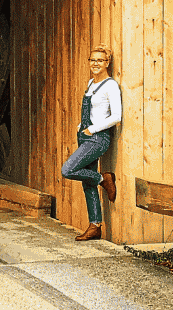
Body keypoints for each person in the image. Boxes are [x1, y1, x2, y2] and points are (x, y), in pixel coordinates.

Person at [61, 44, 121, 241]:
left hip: (98, 138)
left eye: (100, 60)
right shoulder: (90, 83)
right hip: (85, 136)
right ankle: (95, 226)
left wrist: (92, 129)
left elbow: (116, 117)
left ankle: (104, 179)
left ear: (107, 63)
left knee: (67, 169)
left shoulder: (111, 85)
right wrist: (81, 126)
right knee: (87, 184)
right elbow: (93, 111)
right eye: (92, 60)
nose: (95, 63)